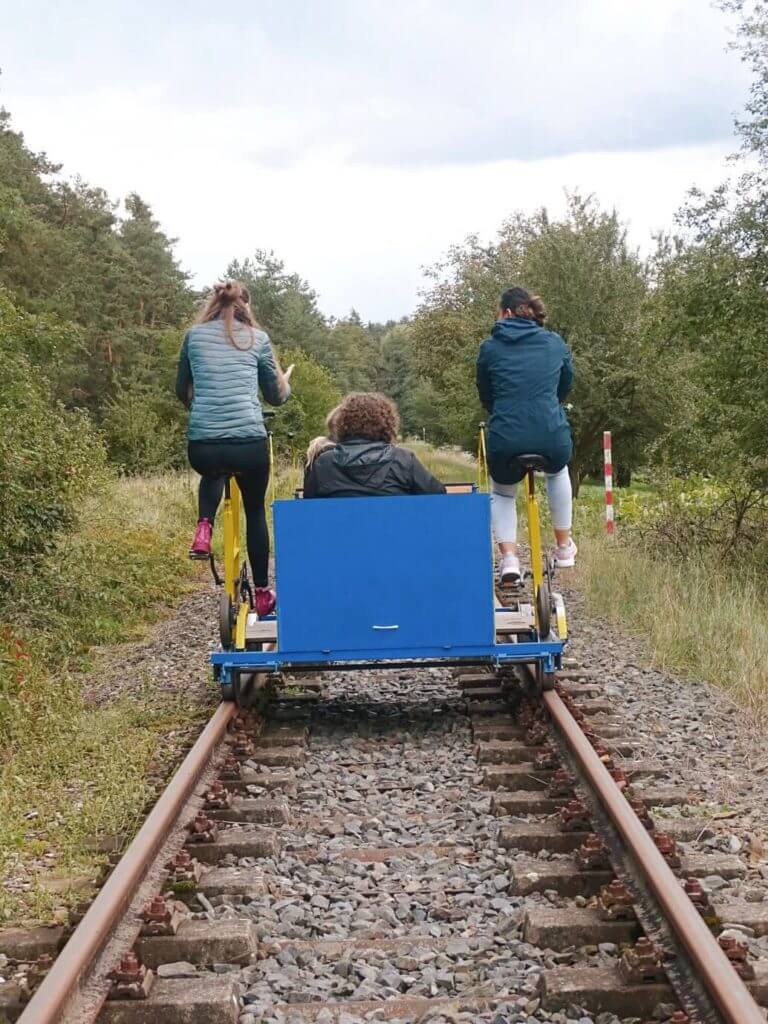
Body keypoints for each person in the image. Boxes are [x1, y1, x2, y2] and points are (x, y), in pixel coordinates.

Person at [176, 281, 292, 615]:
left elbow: (180, 388)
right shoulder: (258, 339)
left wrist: (202, 413)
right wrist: (287, 384)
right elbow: (275, 396)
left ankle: (203, 528)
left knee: (213, 471)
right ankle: (263, 593)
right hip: (249, 444)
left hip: (204, 445)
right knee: (254, 510)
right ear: (246, 306)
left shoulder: (193, 337)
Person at [476, 286, 576, 585]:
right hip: (550, 435)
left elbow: (486, 393)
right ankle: (563, 547)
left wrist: (505, 412)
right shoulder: (554, 343)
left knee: (503, 492)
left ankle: (508, 558)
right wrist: (544, 406)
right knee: (557, 473)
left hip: (506, 437)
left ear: (506, 312)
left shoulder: (490, 348)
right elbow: (565, 385)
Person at [304, 392, 446, 498]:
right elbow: (439, 498)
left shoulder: (323, 464)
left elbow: (307, 511)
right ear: (388, 424)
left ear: (342, 424)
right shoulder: (404, 461)